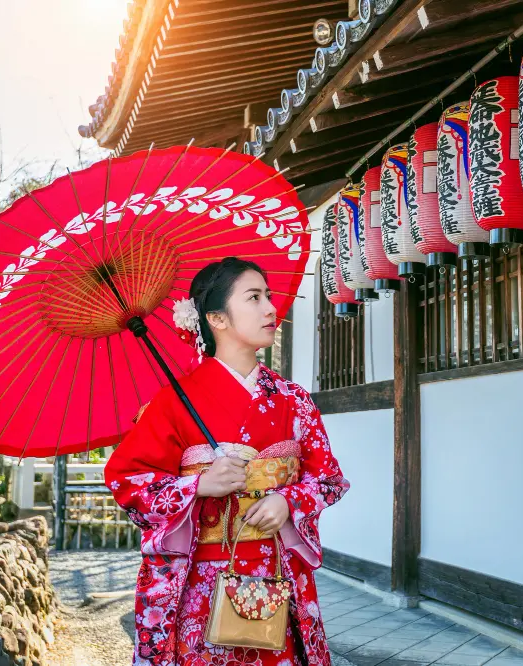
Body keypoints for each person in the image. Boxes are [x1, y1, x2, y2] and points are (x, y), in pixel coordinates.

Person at [105, 257, 349, 666]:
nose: (271, 308)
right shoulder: (173, 402)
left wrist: (289, 501)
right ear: (215, 318)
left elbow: (328, 479)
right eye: (254, 298)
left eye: (268, 296)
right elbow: (126, 480)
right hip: (199, 583)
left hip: (276, 575)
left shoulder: (294, 400)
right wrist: (196, 486)